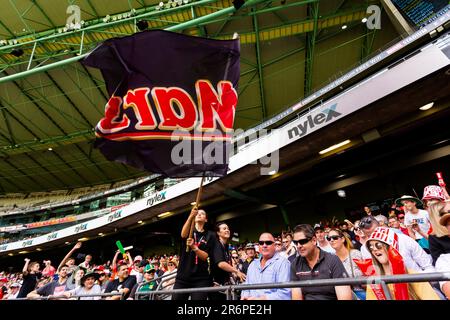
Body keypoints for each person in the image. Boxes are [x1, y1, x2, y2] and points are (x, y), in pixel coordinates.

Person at [364, 227, 440, 300]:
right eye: (371, 247)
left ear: (391, 247)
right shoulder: (374, 281)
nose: (374, 249)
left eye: (378, 245)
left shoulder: (411, 275)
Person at [291, 224, 352, 300]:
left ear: (314, 240)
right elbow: (296, 296)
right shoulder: (295, 264)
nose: (298, 245)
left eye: (302, 241)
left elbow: (344, 297)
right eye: (295, 242)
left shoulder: (332, 260)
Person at [172, 207, 219, 300]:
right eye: (197, 213)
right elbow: (183, 235)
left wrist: (194, 248)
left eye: (202, 213)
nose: (199, 214)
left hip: (201, 278)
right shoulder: (189, 231)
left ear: (206, 219)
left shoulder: (210, 235)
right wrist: (190, 217)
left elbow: (206, 256)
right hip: (183, 277)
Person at [359, 215, 434, 272]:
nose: (375, 236)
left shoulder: (403, 239)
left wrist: (425, 284)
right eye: (369, 235)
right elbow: (374, 273)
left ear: (380, 225)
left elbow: (427, 264)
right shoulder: (366, 249)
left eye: (376, 231)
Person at [241, 232, 291, 300]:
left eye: (268, 242)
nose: (264, 245)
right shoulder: (252, 265)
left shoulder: (283, 263)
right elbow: (246, 286)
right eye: (261, 243)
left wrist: (263, 298)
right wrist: (245, 296)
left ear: (275, 245)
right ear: (259, 246)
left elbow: (286, 293)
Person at [210, 222, 246, 300]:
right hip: (216, 286)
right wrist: (237, 271)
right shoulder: (217, 244)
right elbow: (221, 264)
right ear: (218, 233)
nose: (227, 230)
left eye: (228, 228)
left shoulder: (226, 246)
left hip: (224, 286)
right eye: (224, 229)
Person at [422, 185, 450, 264]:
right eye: (426, 201)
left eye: (431, 199)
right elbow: (440, 265)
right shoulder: (434, 237)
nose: (429, 203)